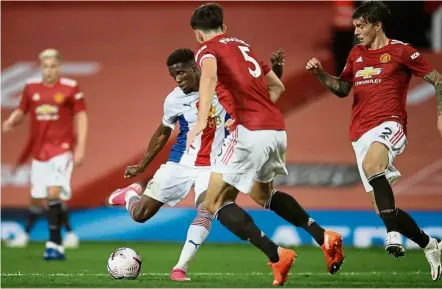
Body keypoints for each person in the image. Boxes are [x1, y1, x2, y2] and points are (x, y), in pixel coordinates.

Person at [187, 3, 344, 286]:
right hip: (275, 129)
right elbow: (277, 88)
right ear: (224, 26)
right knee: (263, 195)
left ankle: (276, 255)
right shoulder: (243, 46)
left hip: (250, 132)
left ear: (199, 34)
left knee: (213, 202)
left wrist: (201, 122)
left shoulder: (206, 50)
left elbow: (209, 76)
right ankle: (323, 236)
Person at [109, 47, 285, 281]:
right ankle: (130, 195)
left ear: (195, 68)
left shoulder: (222, 88)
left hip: (214, 165)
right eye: (173, 75)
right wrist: (142, 166)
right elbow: (163, 132)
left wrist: (277, 70)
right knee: (140, 215)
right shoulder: (173, 100)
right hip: (180, 163)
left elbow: (261, 93)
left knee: (207, 207)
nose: (178, 79)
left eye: (181, 73)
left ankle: (180, 268)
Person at [306, 1, 442, 281]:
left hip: (390, 124)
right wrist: (320, 74)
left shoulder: (402, 51)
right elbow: (343, 89)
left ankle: (392, 236)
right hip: (359, 133)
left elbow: (437, 80)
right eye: (355, 26)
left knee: (372, 165)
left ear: (377, 25)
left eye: (361, 26)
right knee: (382, 207)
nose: (356, 32)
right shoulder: (356, 54)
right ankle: (430, 244)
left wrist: (440, 114)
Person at [2, 48, 88, 260]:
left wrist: (80, 147)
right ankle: (58, 243)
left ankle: (52, 244)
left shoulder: (70, 88)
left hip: (62, 149)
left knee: (53, 193)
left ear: (59, 67)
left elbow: (82, 116)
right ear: (41, 67)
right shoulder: (31, 88)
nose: (49, 71)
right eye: (45, 66)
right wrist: (12, 120)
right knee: (44, 197)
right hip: (39, 153)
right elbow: (22, 110)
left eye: (53, 66)